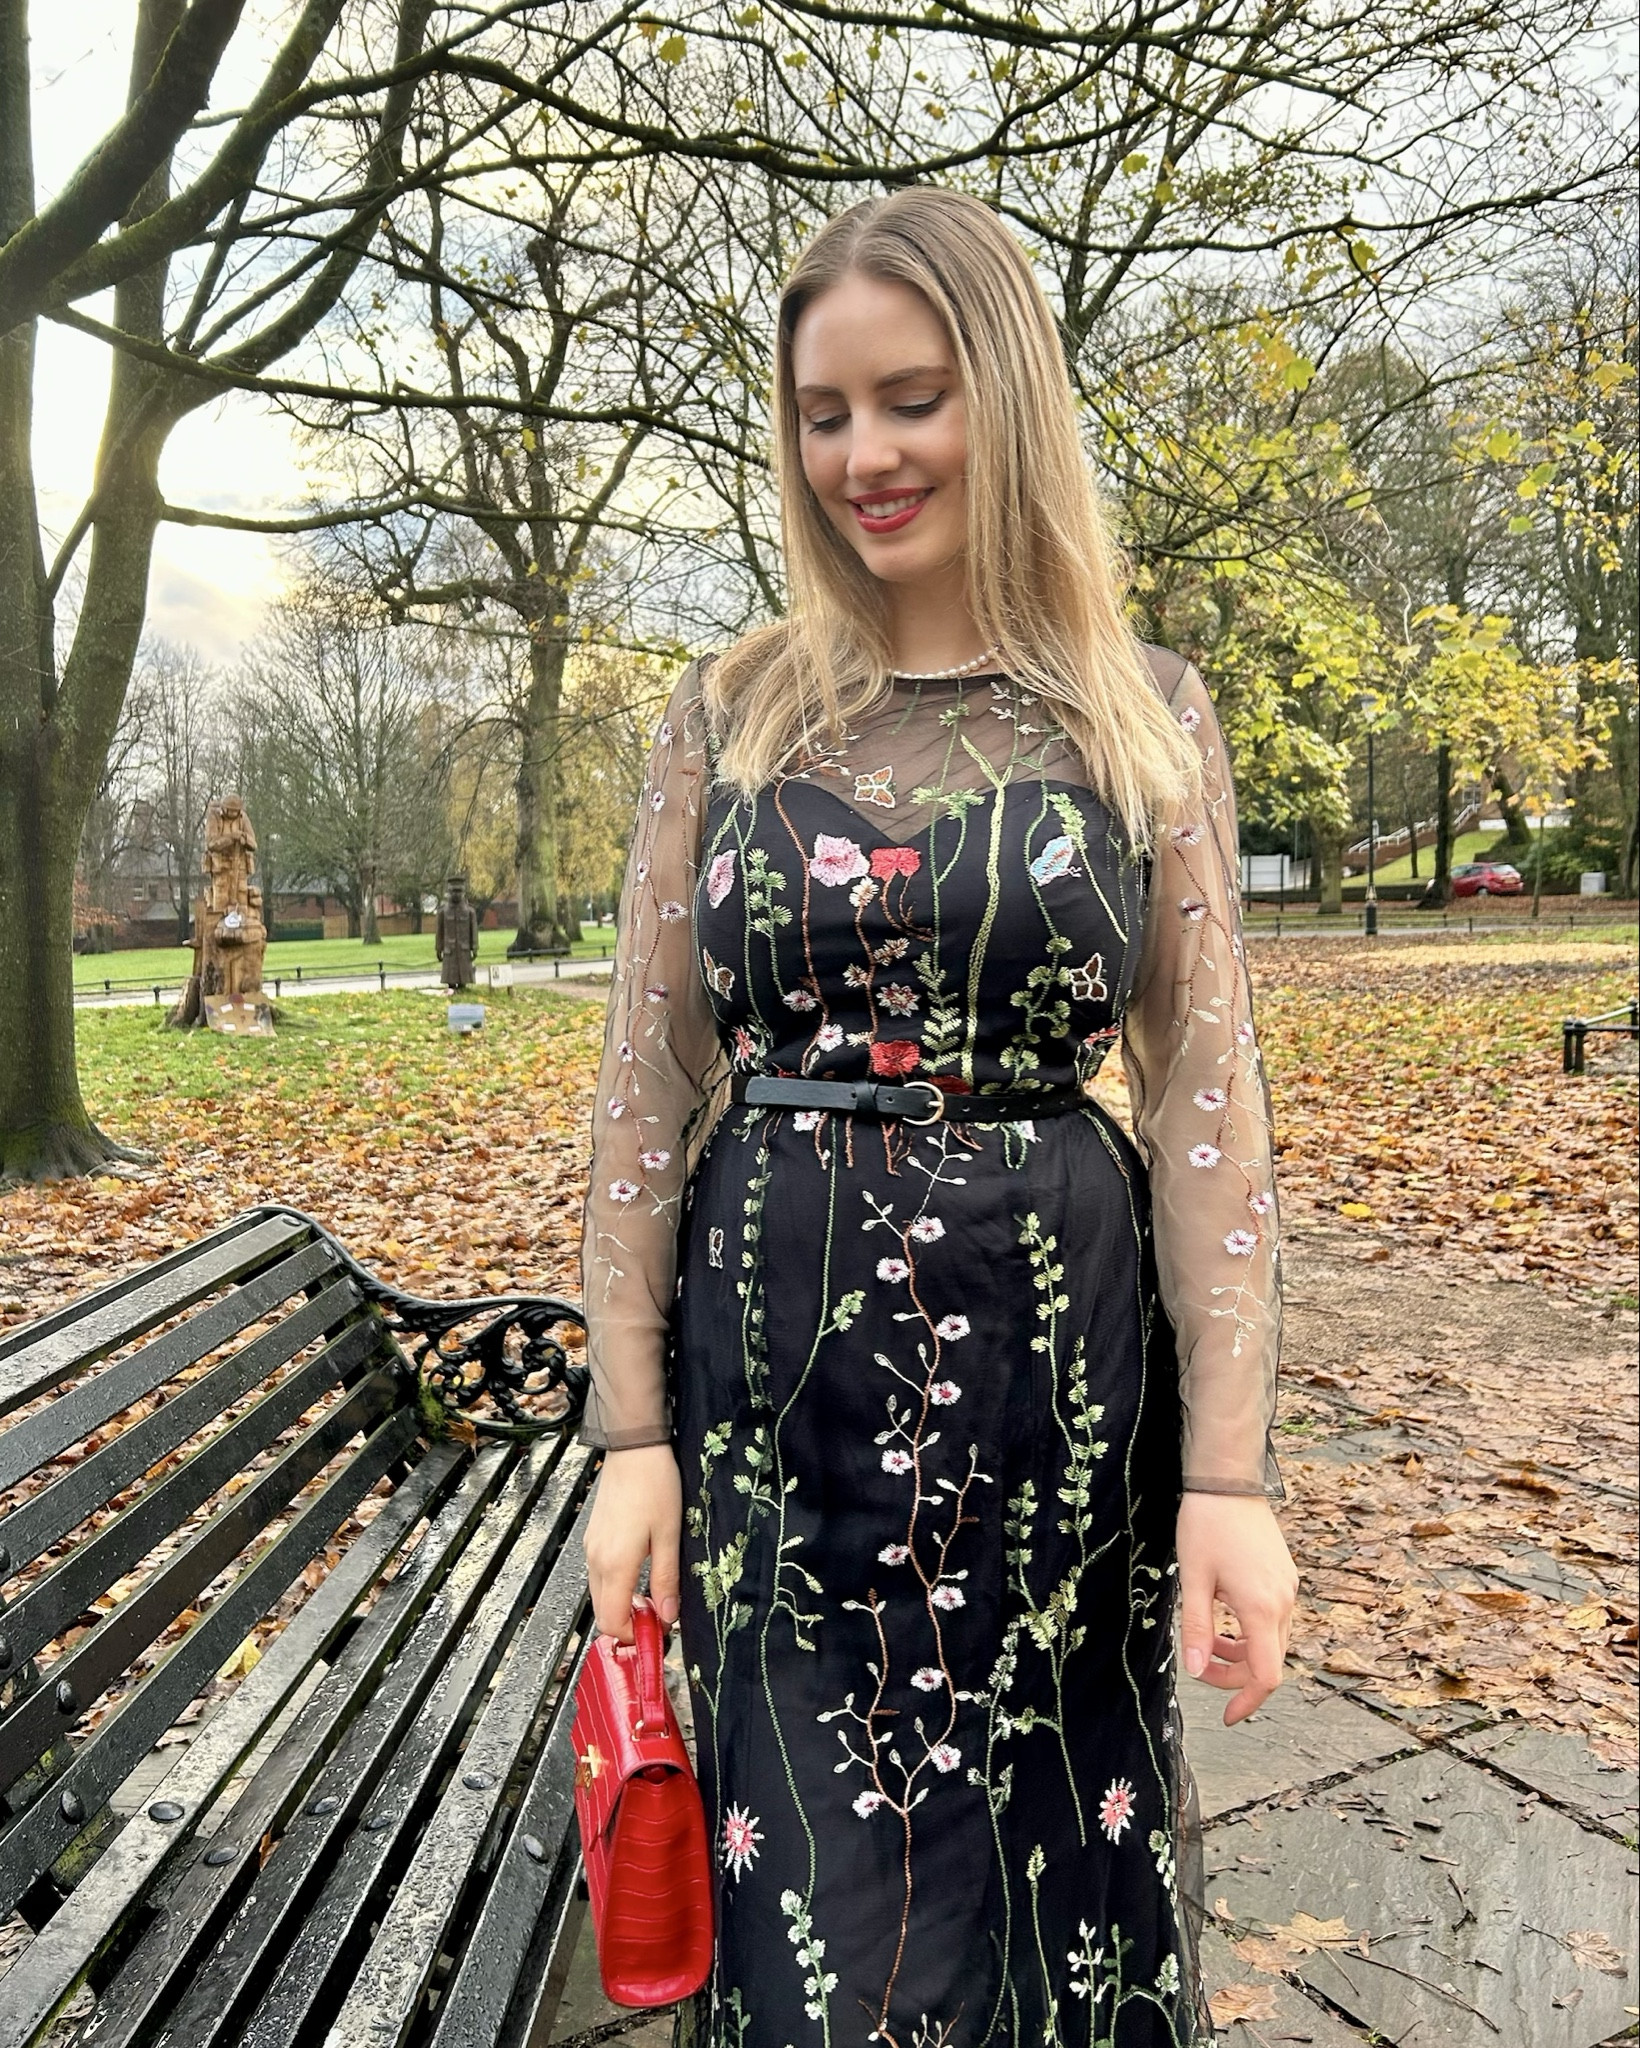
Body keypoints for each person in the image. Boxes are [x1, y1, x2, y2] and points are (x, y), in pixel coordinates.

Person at [579, 186, 1298, 2048]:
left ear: (1010, 397)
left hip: (1060, 1387)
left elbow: (1210, 1105)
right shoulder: (727, 711)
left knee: (1052, 1865)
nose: (864, 456)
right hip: (774, 1400)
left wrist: (1229, 1474)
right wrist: (626, 1432)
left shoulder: (1142, 715)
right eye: (824, 414)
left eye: (911, 399)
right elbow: (648, 1095)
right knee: (818, 1889)